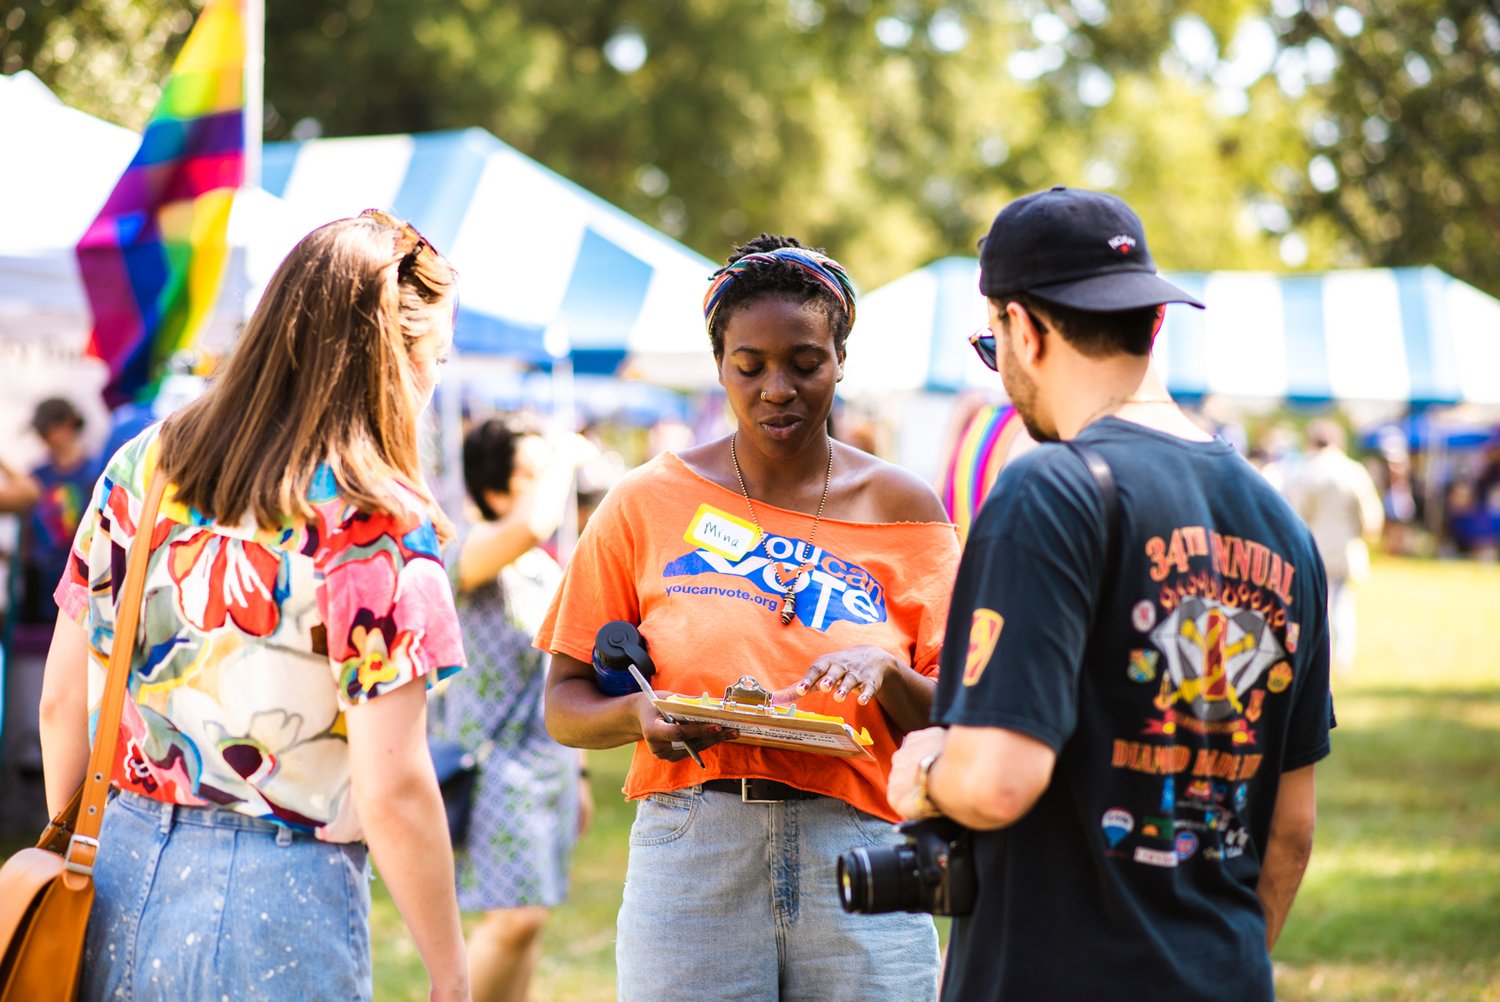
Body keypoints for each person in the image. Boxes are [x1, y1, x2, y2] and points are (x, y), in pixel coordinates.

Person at [887, 187, 1334, 1001]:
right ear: (1153, 322)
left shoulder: (1047, 492)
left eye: (994, 343)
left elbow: (996, 781)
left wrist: (922, 769)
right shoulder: (1284, 526)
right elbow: (1290, 832)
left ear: (1022, 327)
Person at [38, 210, 472, 1001]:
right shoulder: (377, 521)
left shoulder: (148, 462)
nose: (435, 378)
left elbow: (63, 700)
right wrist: (451, 975)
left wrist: (77, 862)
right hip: (282, 895)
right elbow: (396, 788)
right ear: (393, 355)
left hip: (116, 861)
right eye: (434, 354)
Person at [536, 235, 960, 1002]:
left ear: (840, 360)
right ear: (719, 363)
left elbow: (968, 712)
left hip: (861, 844)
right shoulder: (644, 501)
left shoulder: (906, 509)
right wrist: (639, 711)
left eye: (805, 363)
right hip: (695, 845)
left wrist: (891, 675)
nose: (777, 389)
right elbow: (564, 703)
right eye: (750, 365)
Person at [432, 416, 597, 1002]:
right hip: (494, 772)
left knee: (531, 922)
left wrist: (576, 774)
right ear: (494, 490)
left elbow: (561, 672)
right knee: (513, 918)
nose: (544, 485)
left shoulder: (541, 567)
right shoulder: (465, 554)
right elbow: (531, 522)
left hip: (545, 770)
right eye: (528, 475)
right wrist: (563, 456)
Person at [1284, 419, 1384, 677]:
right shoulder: (1353, 471)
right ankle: (1342, 659)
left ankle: (1320, 660)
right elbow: (1371, 517)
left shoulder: (1305, 472)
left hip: (1312, 548)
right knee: (1342, 604)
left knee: (1318, 606)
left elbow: (1294, 513)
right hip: (1345, 548)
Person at [0, 397, 98, 627]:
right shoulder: (37, 475)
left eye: (47, 429)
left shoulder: (95, 473)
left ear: (69, 425)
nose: (43, 437)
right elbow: (26, 532)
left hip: (80, 587)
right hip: (37, 591)